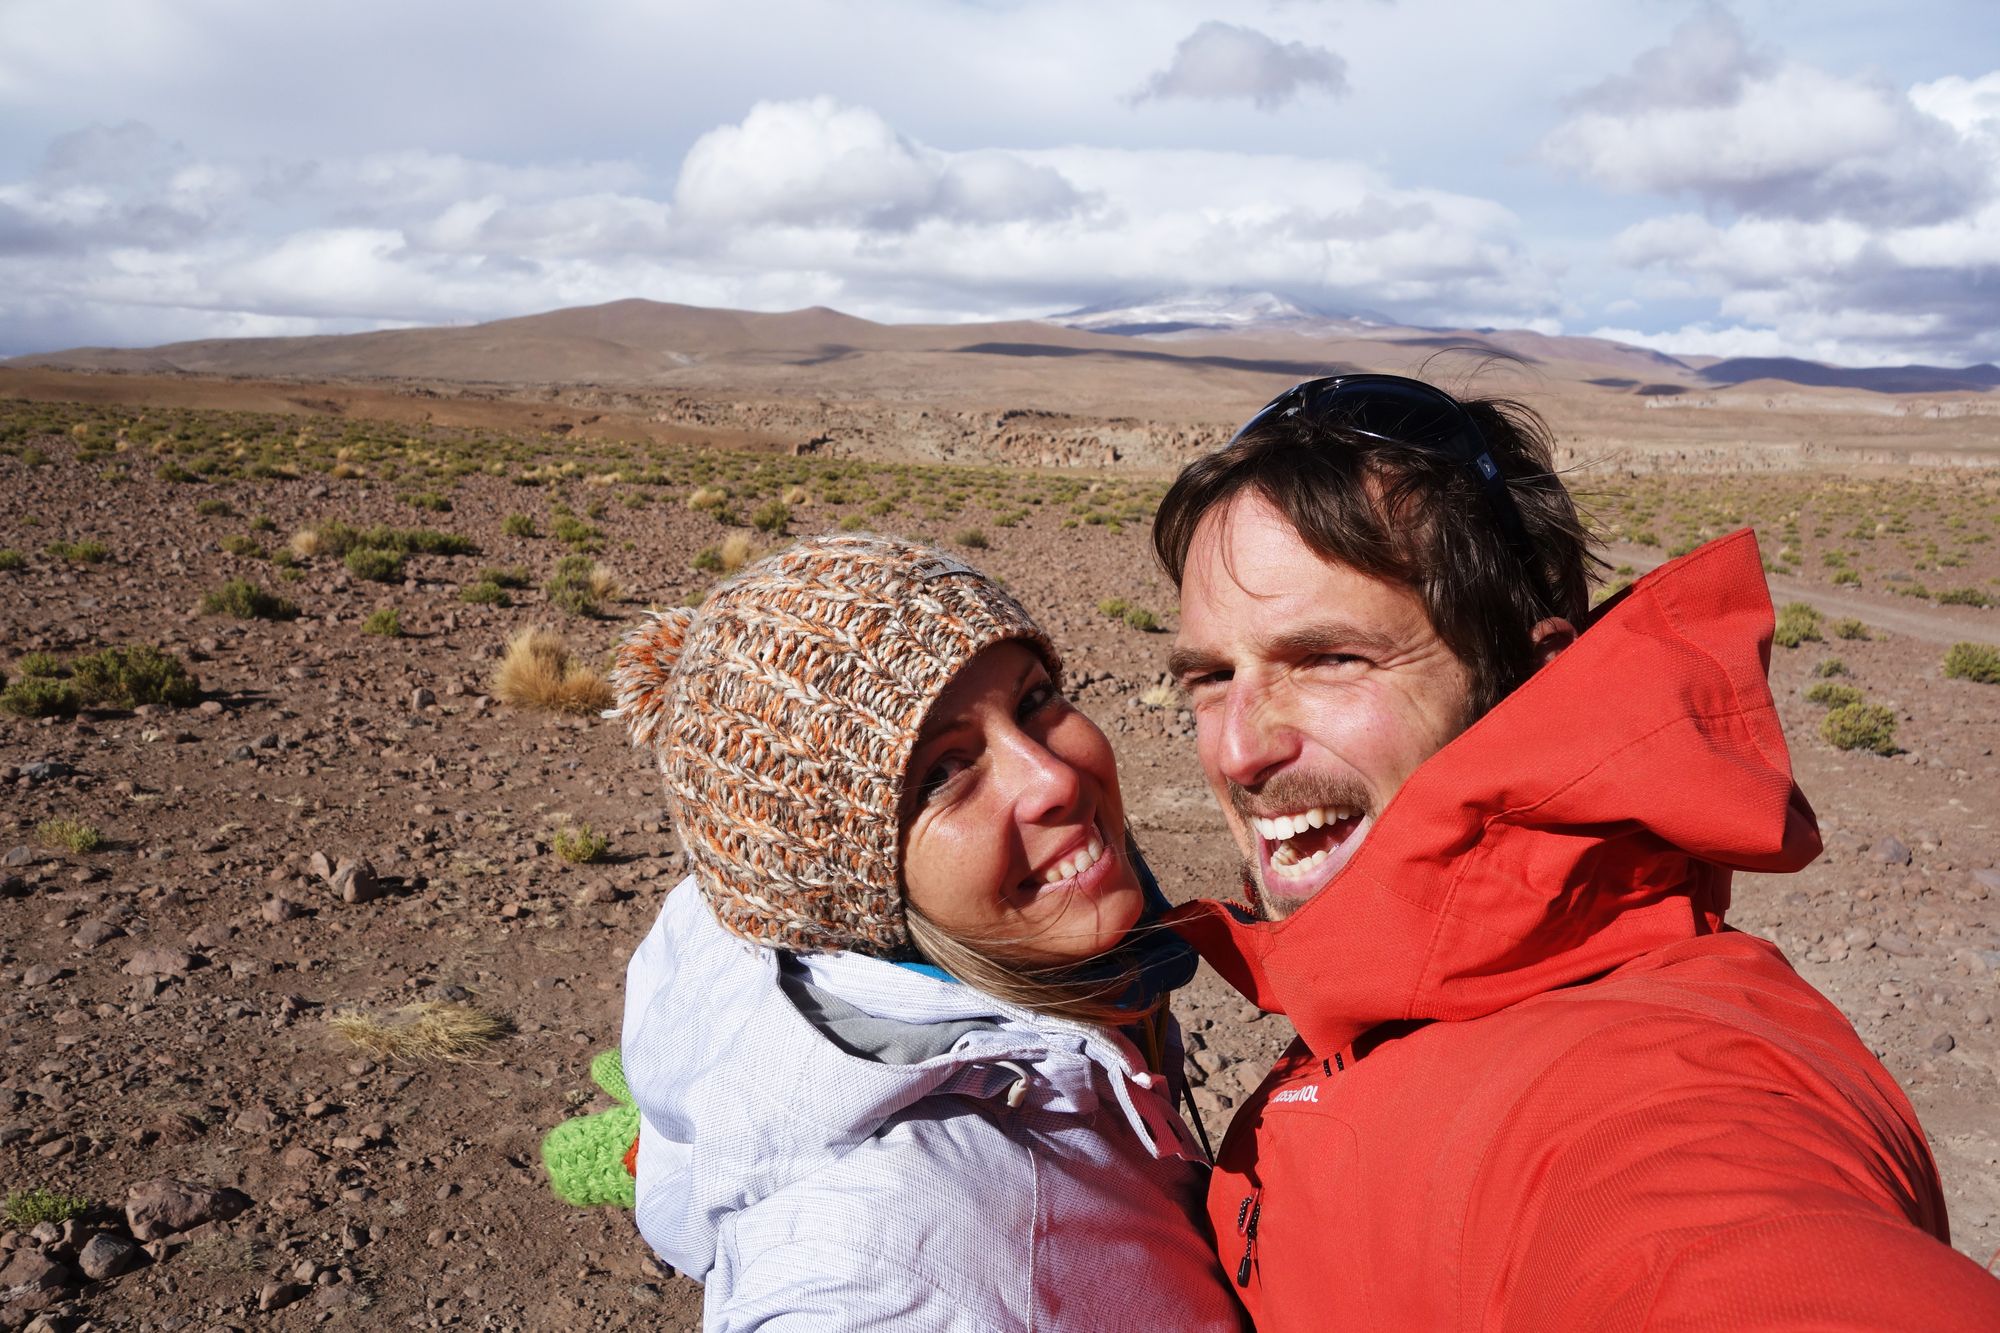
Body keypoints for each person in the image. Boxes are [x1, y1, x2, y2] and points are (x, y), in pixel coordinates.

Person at [1151, 374, 2000, 1329]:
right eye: (1213, 677)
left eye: (1330, 659)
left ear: (1528, 675)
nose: (1236, 749)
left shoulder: (1659, 1092)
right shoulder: (1392, 987)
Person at [609, 534, 1244, 1331]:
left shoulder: (1056, 978)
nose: (1054, 778)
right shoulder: (885, 1263)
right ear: (843, 886)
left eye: (1035, 698)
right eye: (940, 773)